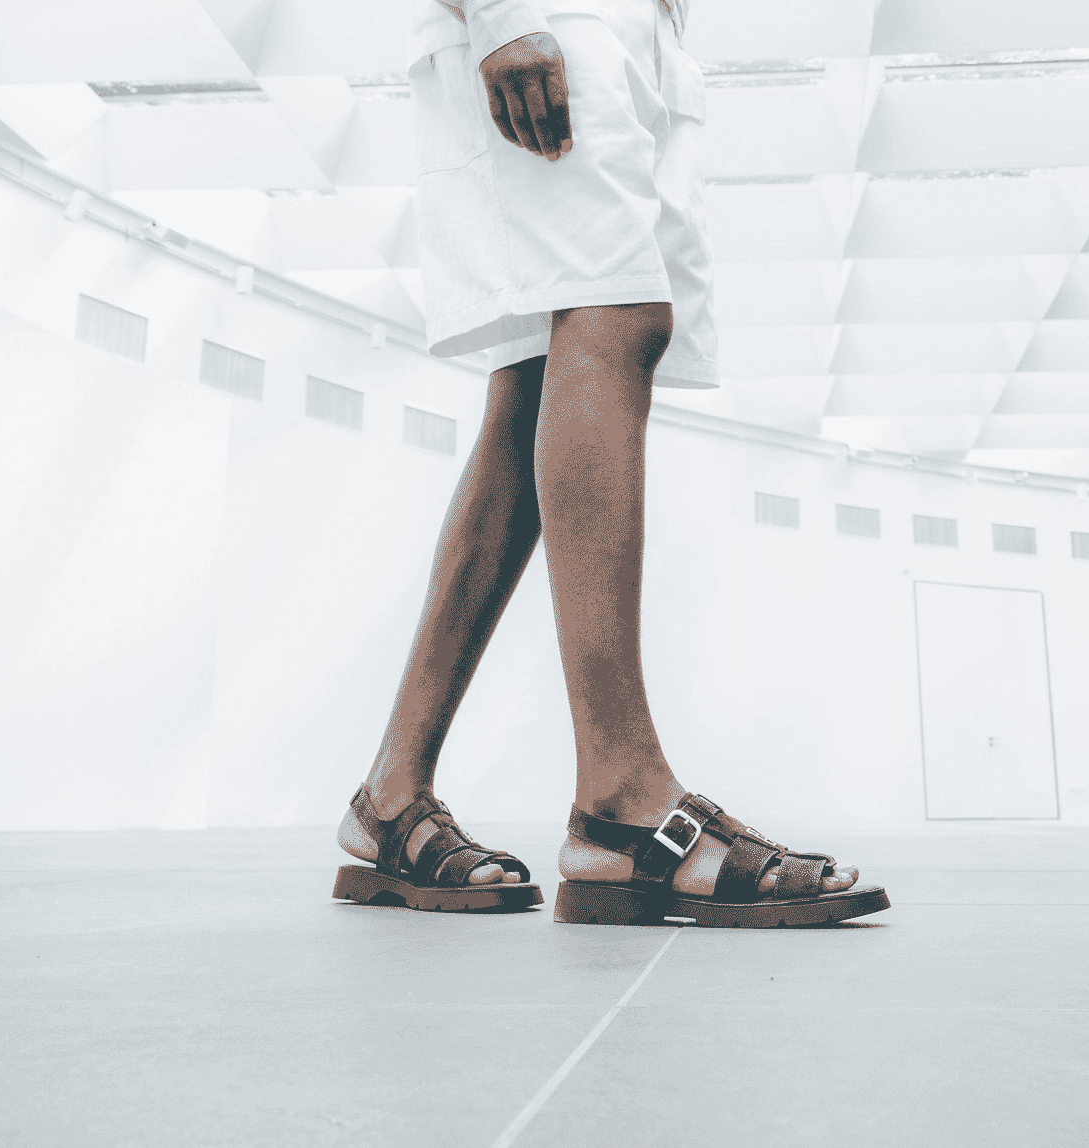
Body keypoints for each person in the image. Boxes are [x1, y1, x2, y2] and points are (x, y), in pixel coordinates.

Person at [331, 0, 888, 927]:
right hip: (553, 13)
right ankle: (623, 802)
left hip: (637, 31)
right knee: (617, 317)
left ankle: (389, 798)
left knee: (540, 380)